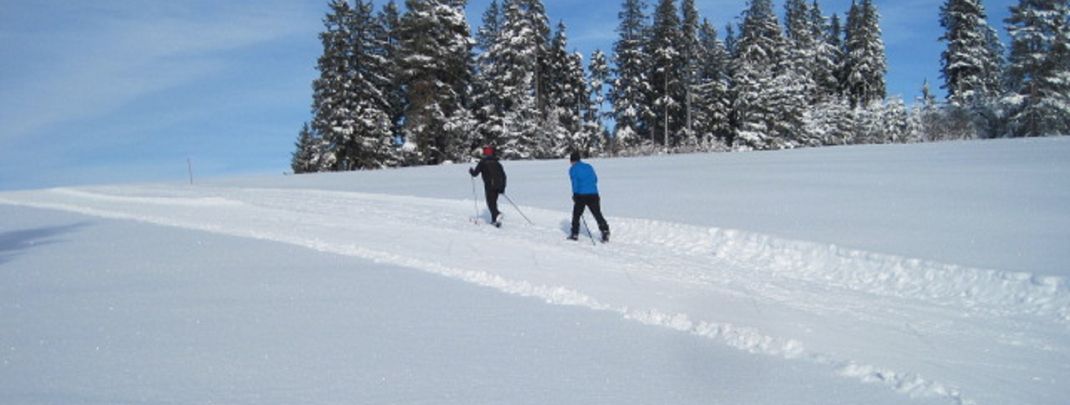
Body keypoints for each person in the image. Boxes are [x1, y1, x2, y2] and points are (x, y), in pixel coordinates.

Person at [568, 151, 610, 242]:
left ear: (572, 160)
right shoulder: (589, 166)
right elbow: (595, 179)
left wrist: (575, 194)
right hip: (594, 194)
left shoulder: (573, 169)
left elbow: (574, 182)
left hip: (581, 195)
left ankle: (574, 234)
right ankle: (605, 230)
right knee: (597, 214)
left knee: (576, 215)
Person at [469, 146, 507, 227]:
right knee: (493, 202)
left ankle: (497, 214)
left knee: (490, 202)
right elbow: (503, 176)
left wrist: (471, 171)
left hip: (489, 185)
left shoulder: (482, 162)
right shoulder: (497, 163)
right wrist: (502, 188)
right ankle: (495, 221)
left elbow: (475, 174)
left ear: (485, 154)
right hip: (498, 185)